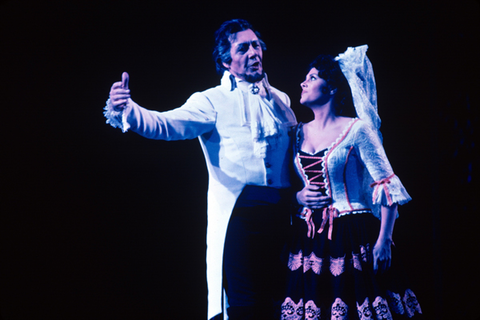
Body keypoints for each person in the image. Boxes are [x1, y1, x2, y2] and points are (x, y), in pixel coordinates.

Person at [104, 19, 297, 320]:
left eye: (256, 45)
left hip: (284, 214)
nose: (253, 52)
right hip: (240, 216)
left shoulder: (281, 99)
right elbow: (166, 124)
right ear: (226, 60)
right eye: (243, 47)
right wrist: (126, 108)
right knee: (244, 303)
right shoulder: (211, 100)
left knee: (285, 299)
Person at [280, 46, 423, 319]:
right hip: (308, 238)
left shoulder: (356, 129)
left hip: (353, 233)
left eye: (312, 78)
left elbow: (387, 185)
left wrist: (384, 239)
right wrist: (297, 198)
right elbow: (284, 184)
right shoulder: (296, 132)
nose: (303, 83)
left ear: (332, 88)